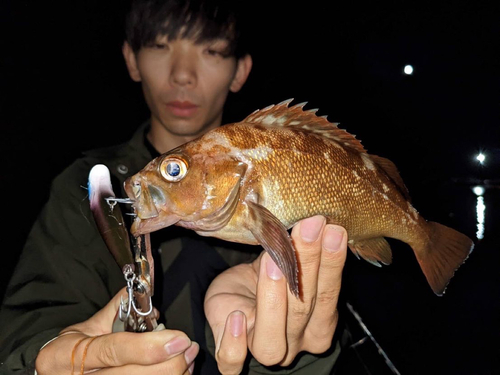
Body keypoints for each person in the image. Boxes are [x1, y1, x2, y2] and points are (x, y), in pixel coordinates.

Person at [0, 0, 348, 374]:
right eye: (161, 46)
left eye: (211, 50)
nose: (183, 74)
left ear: (240, 71)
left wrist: (295, 356)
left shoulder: (277, 170)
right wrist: (47, 361)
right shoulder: (82, 188)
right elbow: (28, 327)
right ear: (132, 59)